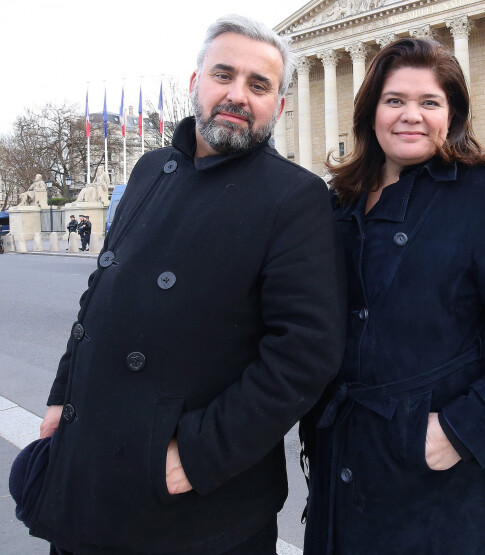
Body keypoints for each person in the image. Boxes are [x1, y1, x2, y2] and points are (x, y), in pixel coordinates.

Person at [21, 14, 345, 555]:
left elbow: (305, 353)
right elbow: (98, 297)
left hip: (195, 503)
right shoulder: (150, 170)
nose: (238, 95)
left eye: (259, 85)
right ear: (195, 83)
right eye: (224, 75)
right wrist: (61, 398)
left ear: (279, 107)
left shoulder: (297, 198)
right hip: (90, 470)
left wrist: (199, 455)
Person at [300, 38, 485, 555]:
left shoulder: (484, 195)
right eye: (395, 100)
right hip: (344, 462)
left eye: (430, 102)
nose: (411, 116)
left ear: (453, 114)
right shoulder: (338, 201)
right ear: (371, 111)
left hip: (438, 479)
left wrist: (462, 430)